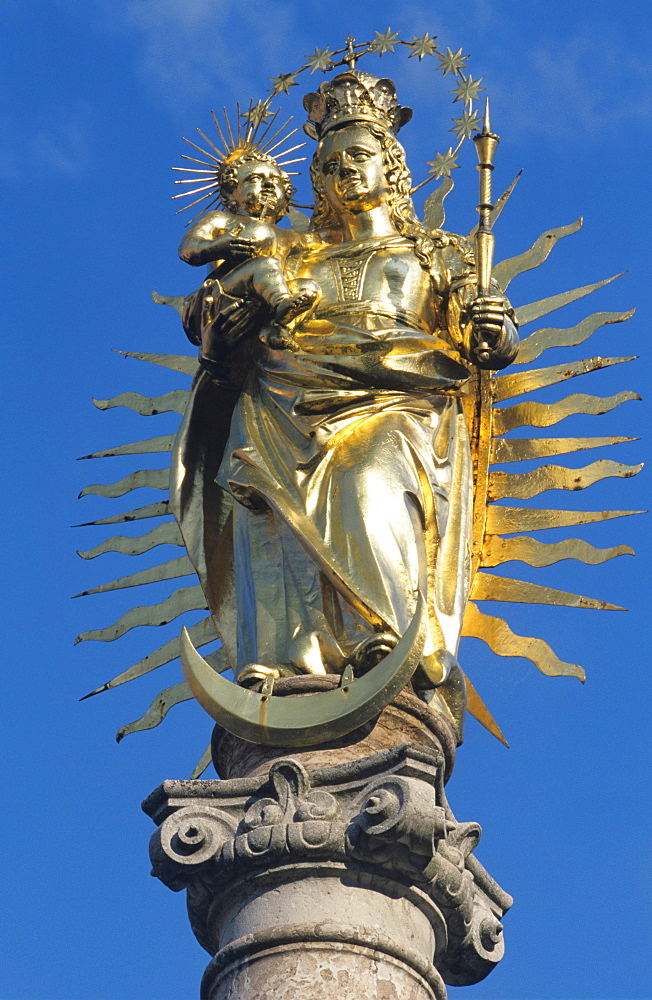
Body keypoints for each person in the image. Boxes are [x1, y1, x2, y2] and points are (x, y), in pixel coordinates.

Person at [171, 70, 518, 739]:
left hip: (398, 404)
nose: (341, 172)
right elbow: (215, 309)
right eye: (327, 164)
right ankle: (280, 660)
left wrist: (494, 326)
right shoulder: (294, 252)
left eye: (356, 157)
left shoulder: (436, 253)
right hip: (281, 400)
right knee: (265, 513)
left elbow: (487, 344)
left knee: (369, 484)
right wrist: (220, 331)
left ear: (390, 165)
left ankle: (387, 640)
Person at [178, 151, 322, 360]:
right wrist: (220, 246)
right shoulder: (222, 220)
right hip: (227, 295)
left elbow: (325, 248)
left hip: (267, 302)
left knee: (309, 288)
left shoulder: (295, 236)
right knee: (265, 265)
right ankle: (281, 304)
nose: (268, 185)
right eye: (255, 179)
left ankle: (274, 329)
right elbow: (188, 249)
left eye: (275, 181)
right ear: (231, 193)